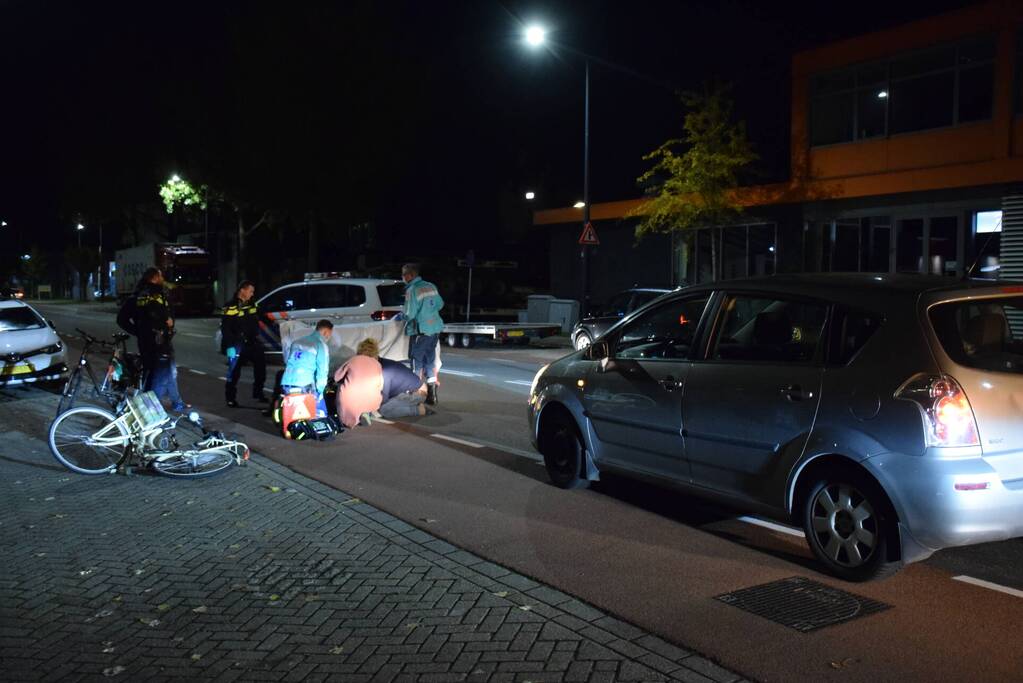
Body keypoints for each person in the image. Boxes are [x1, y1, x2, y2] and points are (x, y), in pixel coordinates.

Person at [116, 267, 188, 411]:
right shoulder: (157, 295)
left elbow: (122, 319)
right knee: (158, 376)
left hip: (147, 342)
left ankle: (177, 403)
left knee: (168, 371)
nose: (162, 278)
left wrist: (139, 332)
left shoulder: (137, 296)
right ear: (154, 278)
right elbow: (161, 316)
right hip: (160, 343)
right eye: (160, 276)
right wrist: (168, 323)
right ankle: (147, 409)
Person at [401, 263, 444, 405]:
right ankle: (432, 395)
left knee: (416, 360)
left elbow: (410, 314)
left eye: (403, 274)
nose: (402, 277)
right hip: (435, 328)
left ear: (410, 275)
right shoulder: (430, 286)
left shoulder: (412, 290)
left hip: (421, 329)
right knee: (429, 360)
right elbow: (440, 304)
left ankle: (415, 393)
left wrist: (401, 317)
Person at [354, 337, 428, 418]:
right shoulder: (379, 363)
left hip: (418, 393)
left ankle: (417, 410)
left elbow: (384, 398)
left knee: (384, 409)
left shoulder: (385, 372)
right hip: (408, 391)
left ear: (373, 358)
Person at [221, 280, 266, 407]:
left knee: (261, 368)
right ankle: (230, 398)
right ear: (242, 290)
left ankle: (258, 393)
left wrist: (278, 322)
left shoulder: (252, 304)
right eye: (250, 291)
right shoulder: (230, 306)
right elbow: (226, 328)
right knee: (234, 372)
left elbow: (262, 315)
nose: (252, 294)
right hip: (237, 344)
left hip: (252, 341)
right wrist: (230, 346)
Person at [281, 319, 333, 408]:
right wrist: (320, 391)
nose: (329, 337)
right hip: (304, 384)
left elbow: (290, 361)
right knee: (315, 414)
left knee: (290, 412)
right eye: (330, 334)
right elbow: (322, 371)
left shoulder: (296, 342)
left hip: (286, 382)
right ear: (326, 332)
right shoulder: (320, 345)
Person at [333, 338, 384, 429]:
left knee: (341, 387)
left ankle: (346, 420)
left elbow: (337, 377)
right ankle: (365, 412)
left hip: (350, 400)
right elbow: (380, 385)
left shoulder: (353, 360)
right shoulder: (377, 364)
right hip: (372, 401)